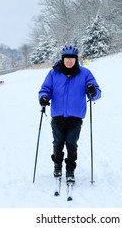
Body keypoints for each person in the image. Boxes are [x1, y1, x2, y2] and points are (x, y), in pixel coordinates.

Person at [38, 45, 101, 184]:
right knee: (58, 144)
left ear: (76, 59)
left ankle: (70, 170)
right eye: (67, 58)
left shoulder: (85, 73)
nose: (69, 61)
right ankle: (57, 165)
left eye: (72, 58)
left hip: (75, 117)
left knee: (72, 145)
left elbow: (96, 93)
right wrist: (43, 97)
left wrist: (93, 91)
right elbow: (45, 89)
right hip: (58, 117)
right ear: (62, 59)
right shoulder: (53, 73)